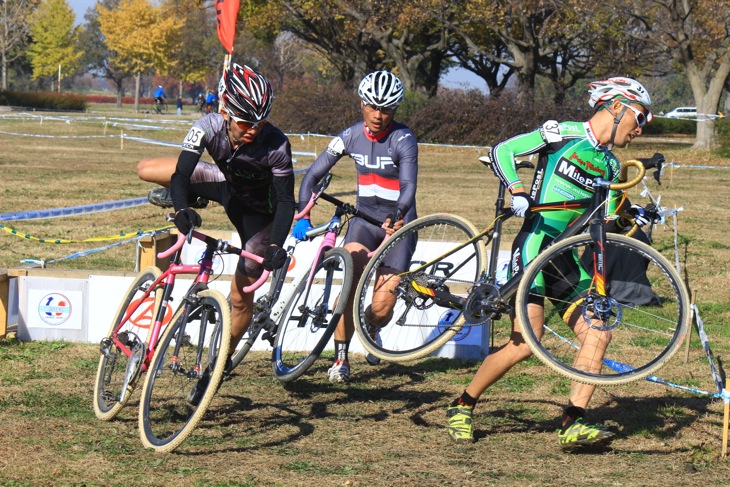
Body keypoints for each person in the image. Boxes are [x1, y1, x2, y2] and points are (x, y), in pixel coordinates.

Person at [446, 77, 657, 449]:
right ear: (617, 107)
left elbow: (604, 221)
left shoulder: (609, 165)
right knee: (525, 343)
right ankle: (463, 404)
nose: (641, 128)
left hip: (563, 259)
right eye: (640, 118)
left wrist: (630, 216)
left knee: (598, 334)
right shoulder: (561, 134)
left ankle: (573, 422)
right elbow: (502, 151)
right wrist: (517, 190)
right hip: (533, 246)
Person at [140, 63, 295, 404]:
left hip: (260, 216)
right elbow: (181, 172)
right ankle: (195, 199)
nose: (253, 129)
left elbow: (287, 202)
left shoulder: (277, 144)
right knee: (146, 169)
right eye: (245, 121)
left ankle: (218, 367)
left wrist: (275, 244)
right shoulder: (207, 125)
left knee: (240, 298)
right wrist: (181, 208)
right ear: (225, 108)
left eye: (261, 121)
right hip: (226, 187)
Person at [292, 71, 418, 383]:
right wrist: (304, 212)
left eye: (386, 109)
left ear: (395, 109)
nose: (378, 115)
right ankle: (341, 357)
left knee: (382, 305)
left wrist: (399, 213)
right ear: (362, 103)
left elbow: (408, 186)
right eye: (373, 107)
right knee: (349, 284)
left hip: (398, 224)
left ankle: (372, 324)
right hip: (364, 222)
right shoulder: (348, 137)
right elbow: (312, 175)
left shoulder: (404, 139)